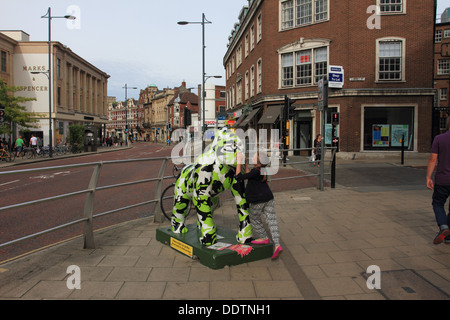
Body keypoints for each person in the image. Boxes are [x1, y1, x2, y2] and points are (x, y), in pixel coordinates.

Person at [236, 151, 283, 260]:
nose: (251, 156)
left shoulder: (255, 172)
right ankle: (277, 245)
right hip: (268, 198)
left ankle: (264, 237)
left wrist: (238, 162)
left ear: (257, 162)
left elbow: (239, 177)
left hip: (258, 200)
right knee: (272, 221)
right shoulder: (261, 170)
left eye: (253, 156)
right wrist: (246, 164)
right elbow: (250, 175)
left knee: (254, 218)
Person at [426, 116, 450, 245]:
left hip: (443, 179)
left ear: (447, 125)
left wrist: (428, 177)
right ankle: (448, 237)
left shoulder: (439, 139)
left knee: (438, 203)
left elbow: (433, 159)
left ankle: (444, 227)